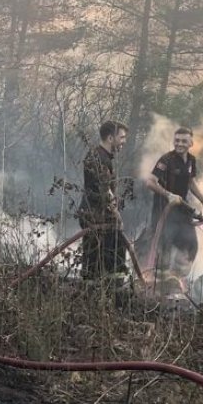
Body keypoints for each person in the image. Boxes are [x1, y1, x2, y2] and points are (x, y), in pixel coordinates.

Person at [142, 127, 203, 287]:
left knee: (191, 247)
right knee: (164, 252)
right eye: (177, 140)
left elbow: (190, 182)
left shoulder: (191, 160)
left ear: (191, 143)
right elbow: (150, 182)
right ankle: (158, 287)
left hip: (182, 213)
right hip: (164, 212)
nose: (179, 144)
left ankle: (175, 280)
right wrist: (168, 195)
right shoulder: (166, 160)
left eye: (183, 141)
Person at [79, 120, 129, 284]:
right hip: (95, 216)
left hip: (99, 215)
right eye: (121, 137)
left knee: (108, 257)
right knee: (97, 261)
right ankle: (105, 294)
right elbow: (105, 191)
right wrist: (116, 215)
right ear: (110, 138)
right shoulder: (99, 158)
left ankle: (107, 290)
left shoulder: (102, 156)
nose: (124, 141)